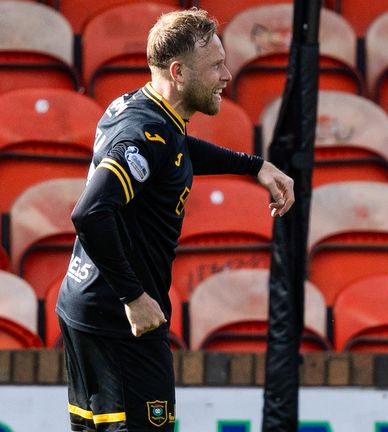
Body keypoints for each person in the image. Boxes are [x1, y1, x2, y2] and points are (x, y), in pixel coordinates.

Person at [56, 8, 294, 431]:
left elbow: (176, 149)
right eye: (216, 66)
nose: (227, 75)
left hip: (85, 303)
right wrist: (133, 297)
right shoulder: (143, 133)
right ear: (179, 72)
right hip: (121, 320)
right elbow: (90, 213)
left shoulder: (144, 112)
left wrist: (252, 165)